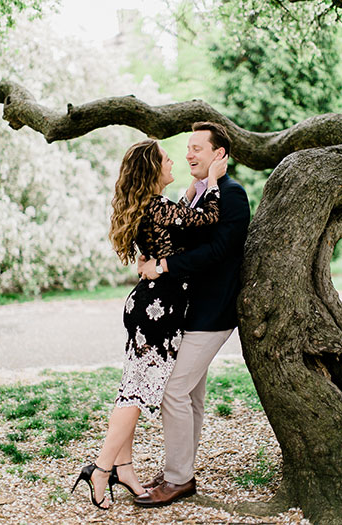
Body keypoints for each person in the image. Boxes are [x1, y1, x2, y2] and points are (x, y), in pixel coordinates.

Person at [71, 138, 228, 509]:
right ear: (153, 170)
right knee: (138, 394)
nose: (174, 161)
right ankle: (101, 468)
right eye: (166, 158)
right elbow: (207, 219)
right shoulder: (158, 207)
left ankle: (123, 468)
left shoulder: (152, 206)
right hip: (158, 312)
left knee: (133, 389)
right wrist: (214, 182)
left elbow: (174, 233)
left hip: (147, 305)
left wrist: (191, 191)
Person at [134, 122, 250, 507]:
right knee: (192, 395)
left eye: (198, 148)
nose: (189, 155)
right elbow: (174, 230)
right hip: (187, 311)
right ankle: (180, 468)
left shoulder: (232, 195)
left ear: (220, 155)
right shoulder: (197, 196)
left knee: (173, 391)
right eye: (187, 148)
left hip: (212, 312)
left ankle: (178, 478)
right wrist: (149, 254)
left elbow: (216, 253)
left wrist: (163, 266)